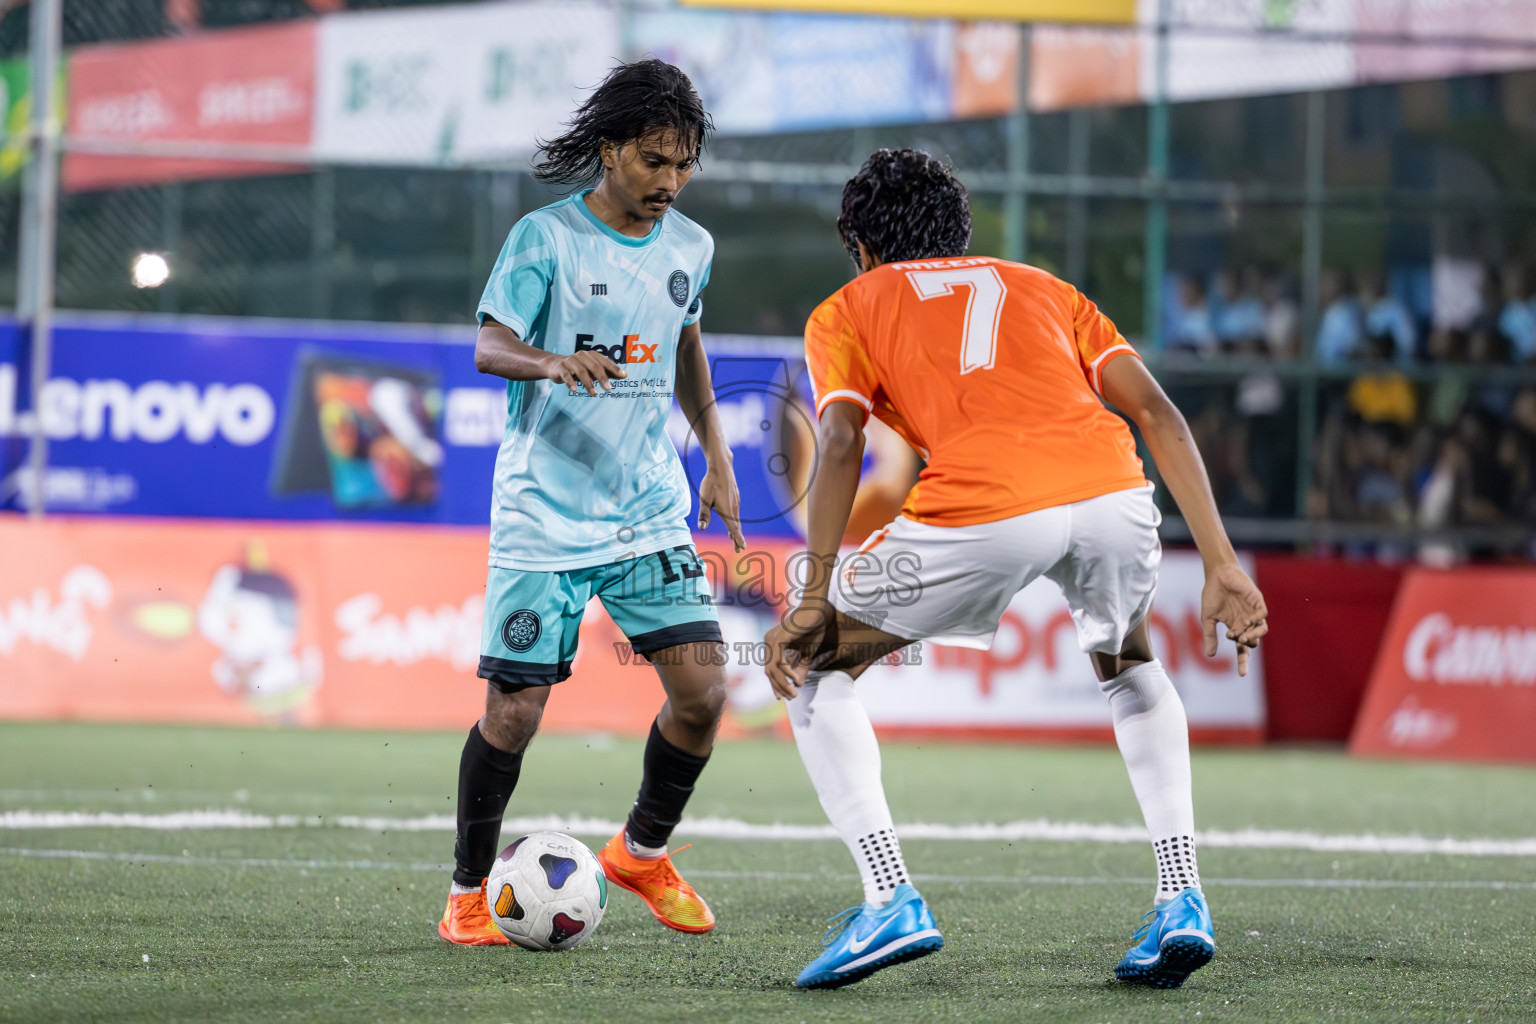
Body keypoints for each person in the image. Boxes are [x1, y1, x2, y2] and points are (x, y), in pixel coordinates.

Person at [762, 149, 1268, 990]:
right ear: (959, 229)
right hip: (1113, 491)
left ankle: (889, 896)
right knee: (1129, 665)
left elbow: (844, 439)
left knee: (812, 669)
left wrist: (812, 596)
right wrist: (1222, 563)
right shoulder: (1043, 285)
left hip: (988, 505)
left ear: (859, 245)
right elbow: (1157, 412)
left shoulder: (847, 306)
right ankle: (1182, 896)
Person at [439, 59, 746, 946]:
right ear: (608, 151)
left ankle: (641, 853)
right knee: (515, 712)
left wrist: (716, 454)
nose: (670, 183)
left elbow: (687, 345)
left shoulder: (691, 245)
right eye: (654, 162)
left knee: (704, 691)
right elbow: (491, 347)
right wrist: (552, 361)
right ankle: (466, 894)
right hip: (544, 514)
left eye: (684, 165)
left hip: (646, 509)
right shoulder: (545, 240)